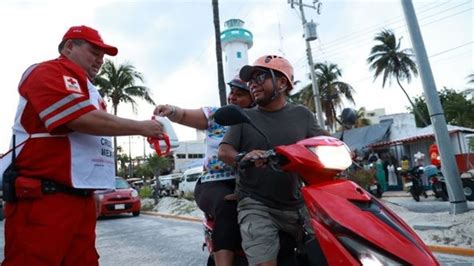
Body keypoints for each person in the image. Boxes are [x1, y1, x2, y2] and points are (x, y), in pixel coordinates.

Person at [0, 25, 164, 266]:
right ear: (69, 47)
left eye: (102, 55)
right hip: (43, 199)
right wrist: (141, 127)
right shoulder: (48, 72)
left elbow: (89, 146)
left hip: (78, 199)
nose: (100, 59)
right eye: (94, 51)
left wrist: (93, 189)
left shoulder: (91, 91)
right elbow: (79, 119)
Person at [218, 55, 329, 266]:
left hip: (298, 203)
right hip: (257, 204)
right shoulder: (244, 117)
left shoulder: (302, 115)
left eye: (259, 77)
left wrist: (345, 150)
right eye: (250, 81)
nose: (252, 85)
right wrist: (243, 156)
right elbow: (224, 151)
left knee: (332, 251)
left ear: (282, 82)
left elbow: (323, 141)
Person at [154, 77, 254, 266]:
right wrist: (171, 110)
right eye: (231, 92)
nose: (232, 97)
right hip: (214, 182)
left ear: (253, 98)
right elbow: (183, 115)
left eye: (239, 94)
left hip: (251, 182)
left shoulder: (260, 118)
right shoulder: (217, 115)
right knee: (227, 207)